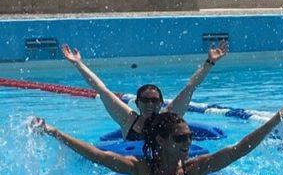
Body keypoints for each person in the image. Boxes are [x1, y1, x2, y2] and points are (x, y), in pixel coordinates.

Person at [30, 104, 283, 175]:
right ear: (161, 140)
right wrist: (54, 132)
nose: (187, 144)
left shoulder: (197, 167)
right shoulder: (141, 169)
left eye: (190, 137)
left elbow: (240, 149)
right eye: (181, 138)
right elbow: (96, 155)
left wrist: (277, 119)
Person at [60, 41, 229, 141]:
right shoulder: (127, 119)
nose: (150, 104)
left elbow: (191, 86)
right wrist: (78, 63)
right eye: (145, 100)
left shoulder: (169, 117)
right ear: (137, 103)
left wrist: (210, 62)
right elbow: (101, 89)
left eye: (154, 101)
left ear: (161, 103)